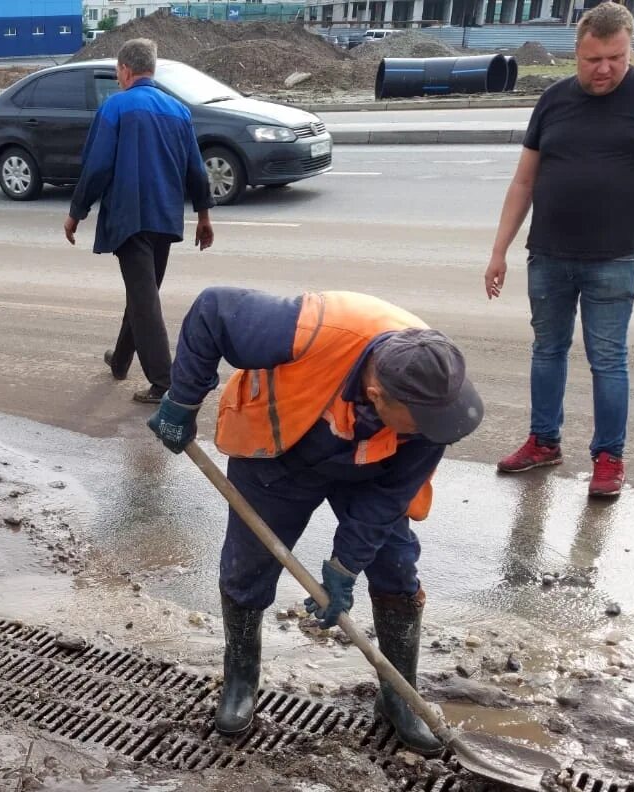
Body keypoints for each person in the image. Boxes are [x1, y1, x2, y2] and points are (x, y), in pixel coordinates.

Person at [145, 287, 484, 754]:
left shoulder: (436, 404)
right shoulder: (308, 328)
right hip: (279, 450)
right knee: (248, 567)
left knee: (397, 568)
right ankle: (241, 681)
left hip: (372, 466)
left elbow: (389, 499)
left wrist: (345, 566)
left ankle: (397, 696)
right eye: (419, 422)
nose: (431, 433)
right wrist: (182, 402)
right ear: (376, 395)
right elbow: (211, 311)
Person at [485, 0, 634, 500]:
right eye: (593, 59)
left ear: (628, 47)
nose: (604, 69)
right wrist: (498, 251)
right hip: (548, 254)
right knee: (547, 352)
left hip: (614, 259)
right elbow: (523, 181)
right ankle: (543, 441)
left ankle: (609, 457)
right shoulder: (552, 100)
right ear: (577, 52)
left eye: (616, 58)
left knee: (608, 360)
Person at [64, 37, 214, 404]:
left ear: (126, 71)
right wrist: (204, 216)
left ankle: (165, 383)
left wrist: (76, 212)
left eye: (118, 72)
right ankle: (119, 360)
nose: (118, 78)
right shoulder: (178, 110)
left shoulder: (116, 107)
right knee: (143, 292)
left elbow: (96, 166)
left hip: (129, 217)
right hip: (165, 217)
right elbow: (196, 169)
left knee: (144, 298)